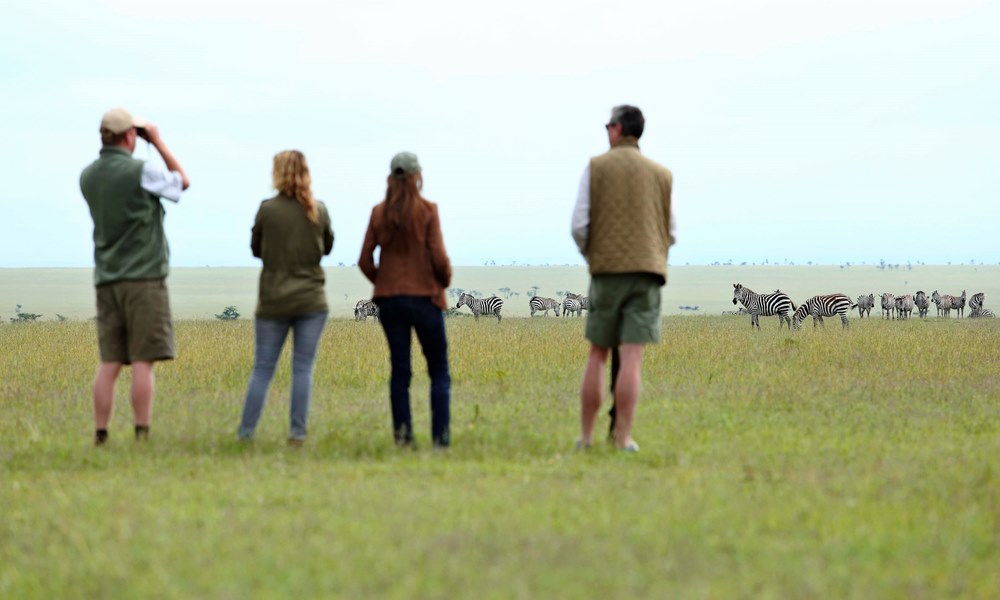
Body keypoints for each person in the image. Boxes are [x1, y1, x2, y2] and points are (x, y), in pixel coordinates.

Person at [79, 108, 190, 446]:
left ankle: (101, 434)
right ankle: (141, 434)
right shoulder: (141, 171)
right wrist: (156, 140)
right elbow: (181, 181)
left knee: (110, 360)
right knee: (143, 360)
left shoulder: (88, 176)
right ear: (130, 137)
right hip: (143, 278)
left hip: (107, 278)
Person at [571, 105, 675, 452]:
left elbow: (579, 226)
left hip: (606, 272)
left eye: (607, 125)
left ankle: (586, 438)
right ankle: (623, 438)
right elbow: (670, 231)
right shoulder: (661, 174)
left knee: (598, 353)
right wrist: (653, 256)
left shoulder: (596, 167)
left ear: (617, 129)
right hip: (647, 272)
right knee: (632, 357)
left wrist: (594, 257)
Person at [238, 150, 334, 446]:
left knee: (263, 368)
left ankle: (245, 434)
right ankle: (297, 434)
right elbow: (327, 248)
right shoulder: (318, 210)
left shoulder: (267, 210)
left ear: (277, 173)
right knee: (303, 368)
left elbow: (256, 249)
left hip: (273, 301)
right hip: (311, 300)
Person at [359, 152, 453, 448]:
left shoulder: (378, 212)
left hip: (390, 302)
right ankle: (440, 440)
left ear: (391, 178)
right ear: (417, 176)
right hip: (425, 298)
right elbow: (438, 257)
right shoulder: (428, 210)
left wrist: (385, 283)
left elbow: (364, 260)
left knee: (400, 371)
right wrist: (444, 281)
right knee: (438, 370)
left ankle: (403, 438)